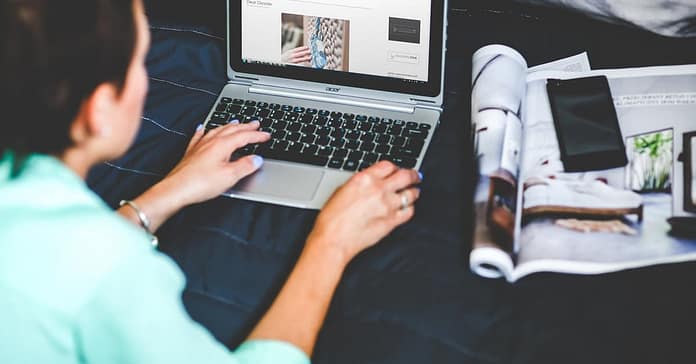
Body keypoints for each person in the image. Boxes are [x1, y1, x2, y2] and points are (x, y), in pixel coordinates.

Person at [0, 0, 422, 363]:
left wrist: (168, 192)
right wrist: (331, 241)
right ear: (99, 110)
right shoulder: (112, 269)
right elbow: (83, 267)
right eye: (139, 62)